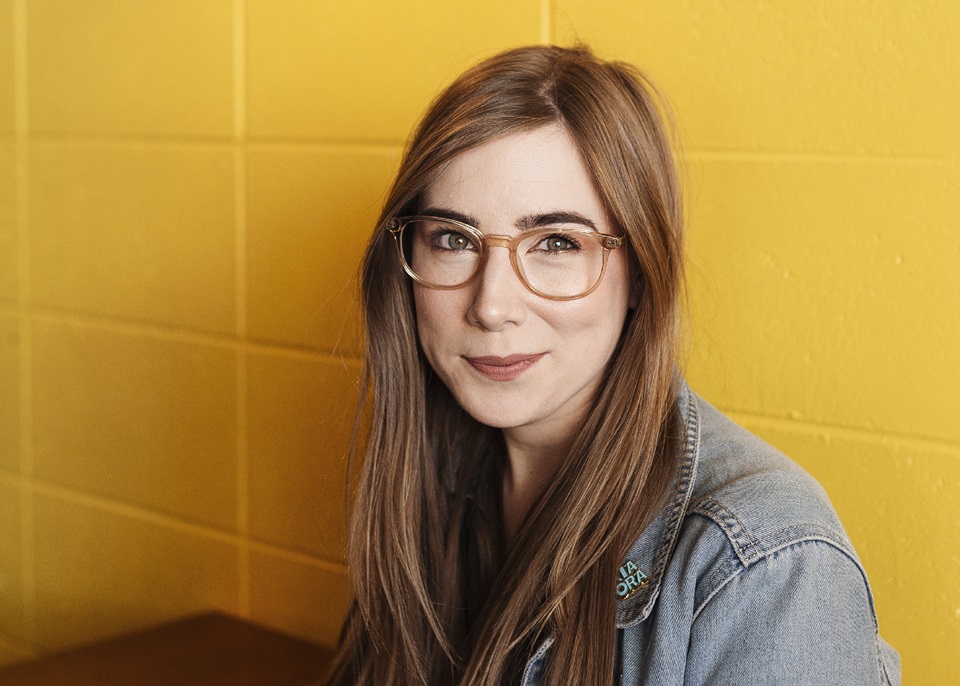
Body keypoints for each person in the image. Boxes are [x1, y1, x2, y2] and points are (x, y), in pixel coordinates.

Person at [326, 45, 900, 686]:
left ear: (639, 275)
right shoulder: (432, 477)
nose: (490, 306)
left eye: (556, 243)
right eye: (454, 239)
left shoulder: (765, 564)